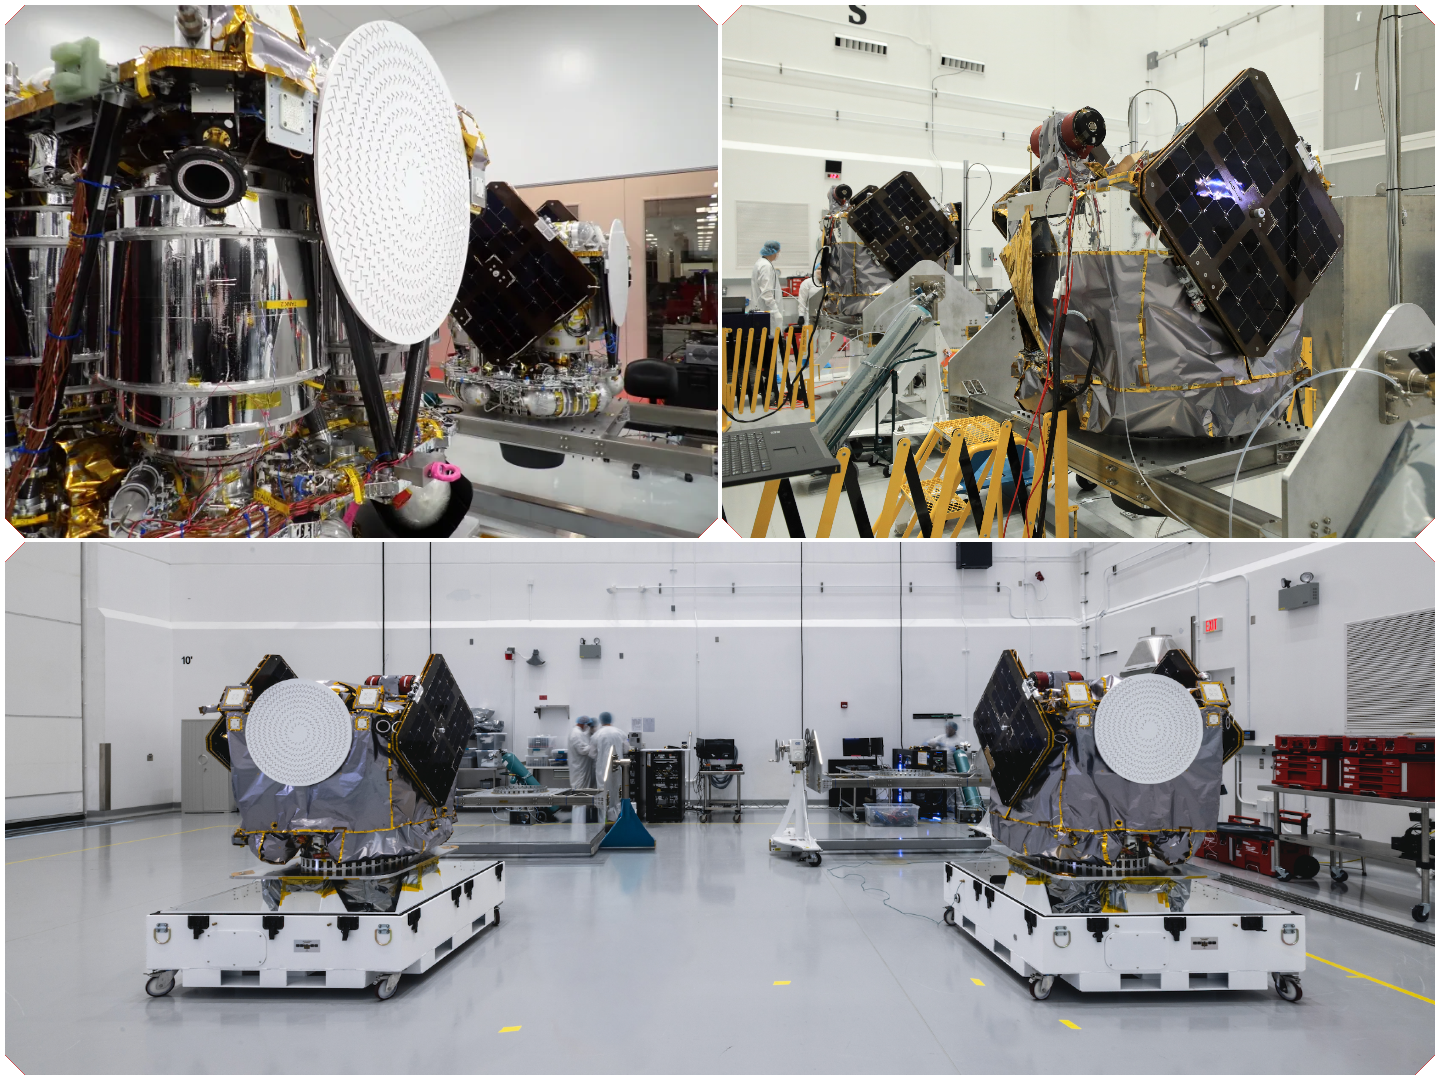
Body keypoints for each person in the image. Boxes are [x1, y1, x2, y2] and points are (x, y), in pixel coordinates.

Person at [590, 711, 627, 822]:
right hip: (617, 766)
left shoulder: (597, 735)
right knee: (617, 792)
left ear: (601, 721)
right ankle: (619, 819)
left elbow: (592, 753)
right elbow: (626, 749)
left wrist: (601, 756)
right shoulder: (620, 733)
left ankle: (604, 821)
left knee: (603, 793)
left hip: (602, 768)